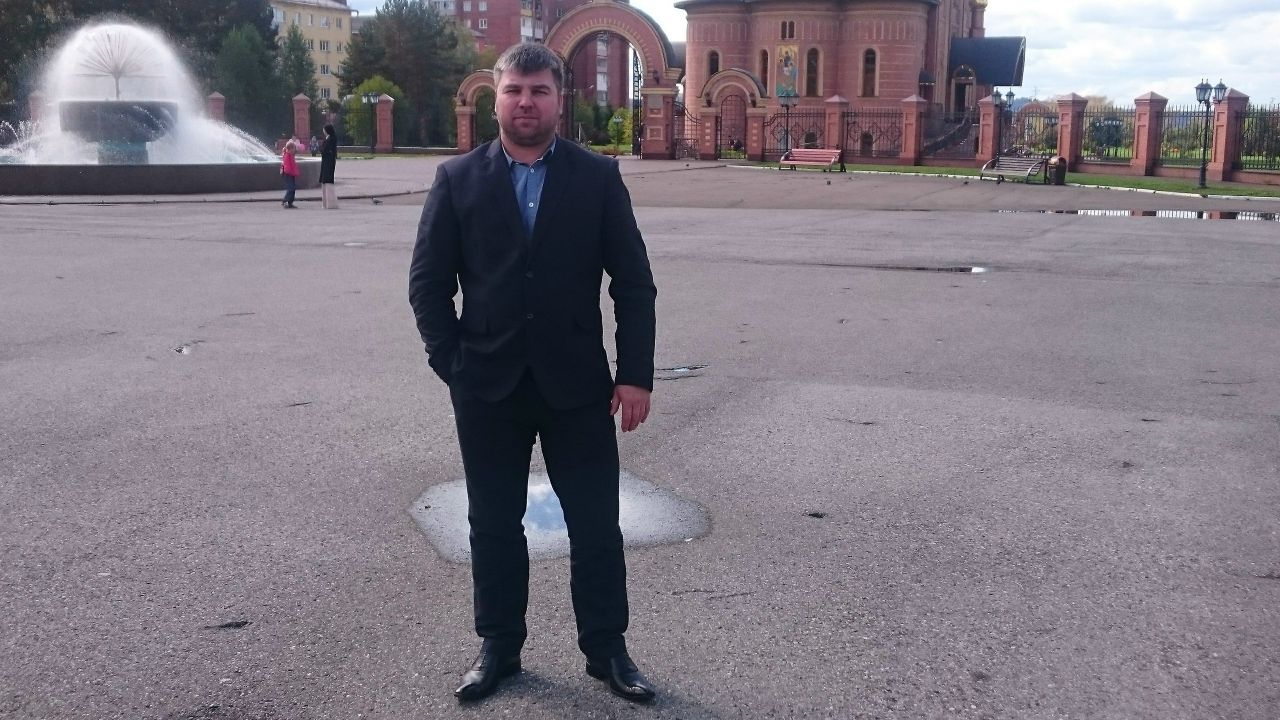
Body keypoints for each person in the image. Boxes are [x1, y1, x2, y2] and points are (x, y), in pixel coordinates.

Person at [408, 42, 658, 704]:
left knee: (595, 524)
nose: (526, 102)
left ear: (558, 99)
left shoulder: (596, 177)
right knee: (493, 523)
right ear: (496, 97)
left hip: (578, 386)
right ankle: (499, 646)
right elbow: (428, 284)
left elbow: (633, 282)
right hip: (487, 386)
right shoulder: (457, 179)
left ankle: (607, 650)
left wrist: (635, 374)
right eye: (515, 90)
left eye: (539, 90)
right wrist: (452, 365)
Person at [319, 124, 338, 209]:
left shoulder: (331, 139)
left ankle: (330, 203)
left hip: (328, 162)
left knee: (327, 180)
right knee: (325, 181)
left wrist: (322, 149)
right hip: (327, 162)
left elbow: (324, 150)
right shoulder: (329, 139)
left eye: (324, 130)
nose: (323, 131)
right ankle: (326, 203)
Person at [280, 140, 299, 208]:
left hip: (291, 174)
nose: (295, 150)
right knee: (291, 188)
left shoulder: (290, 155)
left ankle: (290, 202)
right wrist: (291, 172)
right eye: (294, 148)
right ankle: (285, 201)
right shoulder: (287, 156)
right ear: (290, 149)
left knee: (293, 189)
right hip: (288, 174)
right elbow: (287, 167)